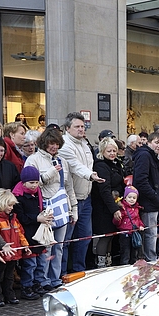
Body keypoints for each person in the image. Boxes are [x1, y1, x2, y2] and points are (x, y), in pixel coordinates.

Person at [24, 126, 77, 290]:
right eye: (51, 143)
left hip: (62, 208)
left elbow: (69, 186)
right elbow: (31, 183)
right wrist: (50, 172)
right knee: (45, 246)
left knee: (59, 247)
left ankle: (55, 278)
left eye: (56, 143)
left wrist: (73, 209)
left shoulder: (63, 161)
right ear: (44, 143)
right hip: (44, 208)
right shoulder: (33, 159)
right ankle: (42, 280)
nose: (54, 147)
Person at [58, 112, 105, 273]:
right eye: (77, 126)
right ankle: (62, 273)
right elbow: (76, 166)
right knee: (65, 240)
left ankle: (79, 271)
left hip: (86, 198)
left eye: (82, 127)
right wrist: (91, 175)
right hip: (71, 200)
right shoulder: (64, 145)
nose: (80, 129)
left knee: (85, 238)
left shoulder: (84, 144)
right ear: (67, 128)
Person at [11, 165, 51, 299]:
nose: (34, 185)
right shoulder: (18, 197)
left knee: (41, 261)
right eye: (31, 183)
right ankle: (26, 286)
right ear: (23, 182)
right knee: (30, 263)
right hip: (27, 233)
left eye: (36, 182)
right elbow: (21, 217)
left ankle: (37, 283)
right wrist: (37, 218)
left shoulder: (37, 192)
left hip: (39, 232)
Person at [0, 188, 32, 306]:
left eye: (12, 205)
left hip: (13, 253)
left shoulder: (13, 218)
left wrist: (25, 245)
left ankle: (9, 294)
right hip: (0, 254)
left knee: (9, 275)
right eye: (9, 205)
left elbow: (20, 233)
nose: (11, 208)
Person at [131, 132, 159, 262]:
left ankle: (150, 258)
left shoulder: (153, 156)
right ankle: (150, 259)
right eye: (156, 143)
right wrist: (154, 196)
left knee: (152, 233)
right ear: (148, 142)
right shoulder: (144, 155)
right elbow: (141, 180)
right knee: (150, 233)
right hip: (148, 202)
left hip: (154, 201)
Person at [91, 136, 126, 268]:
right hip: (104, 207)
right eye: (109, 151)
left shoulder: (116, 164)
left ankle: (108, 260)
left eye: (114, 151)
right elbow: (104, 190)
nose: (112, 153)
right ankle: (101, 264)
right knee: (105, 236)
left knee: (111, 236)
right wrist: (114, 209)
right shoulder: (101, 166)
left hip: (114, 203)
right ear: (102, 151)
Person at [113, 186, 146, 265]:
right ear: (125, 197)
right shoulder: (122, 208)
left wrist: (141, 225)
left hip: (134, 233)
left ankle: (133, 266)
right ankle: (124, 267)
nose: (132, 199)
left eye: (134, 198)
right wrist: (118, 219)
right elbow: (116, 222)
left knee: (134, 253)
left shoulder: (136, 208)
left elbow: (138, 219)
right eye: (129, 197)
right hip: (125, 234)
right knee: (125, 253)